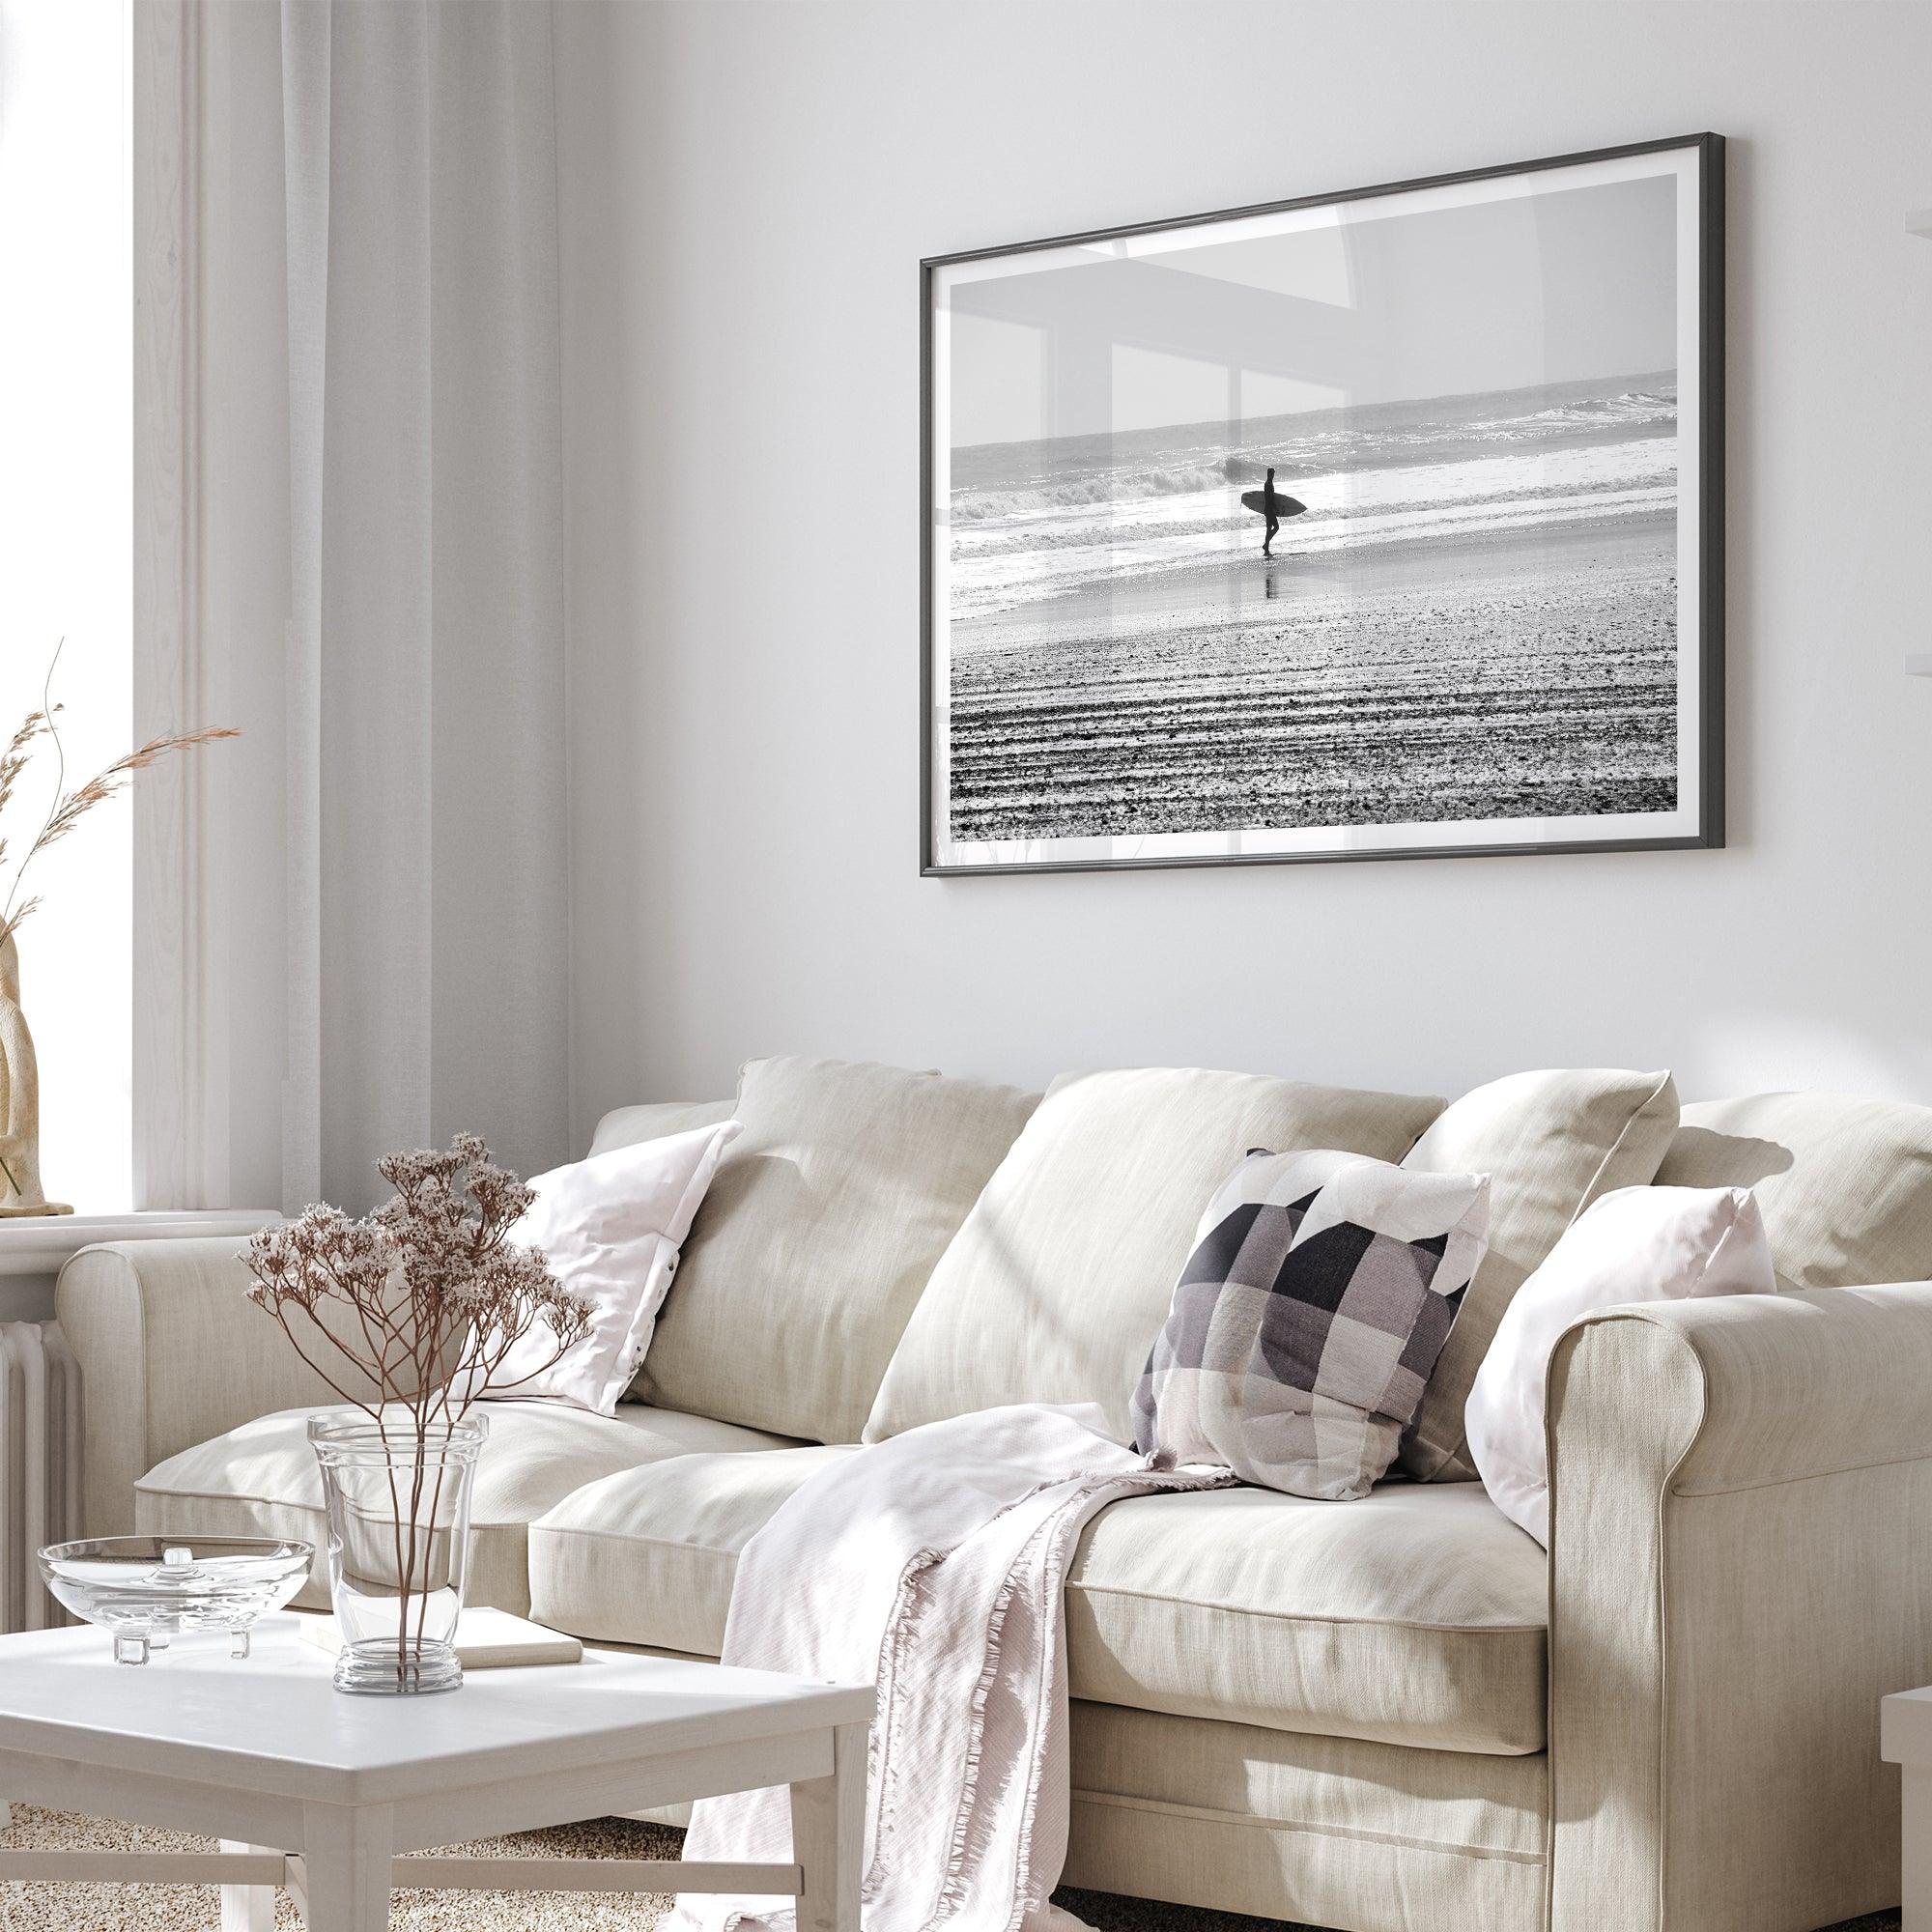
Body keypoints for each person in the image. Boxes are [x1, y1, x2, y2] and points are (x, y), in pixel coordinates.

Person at [1262, 467, 1282, 557]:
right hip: (1269, 510)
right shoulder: (1268, 484)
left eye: (1274, 474)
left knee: (1269, 529)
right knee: (1276, 527)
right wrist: (1275, 509)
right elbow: (1270, 499)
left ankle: (1266, 547)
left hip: (1268, 509)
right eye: (1272, 474)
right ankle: (1266, 546)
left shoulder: (1268, 483)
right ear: (1269, 474)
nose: (1273, 475)